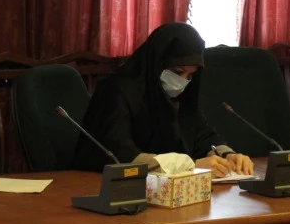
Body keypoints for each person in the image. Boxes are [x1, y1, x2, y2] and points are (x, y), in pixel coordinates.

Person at [71, 22, 253, 177]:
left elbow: (203, 136)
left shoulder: (181, 95)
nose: (182, 82)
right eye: (177, 72)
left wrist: (228, 156)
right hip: (101, 186)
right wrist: (191, 166)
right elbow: (119, 155)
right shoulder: (117, 91)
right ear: (157, 62)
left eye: (190, 75)